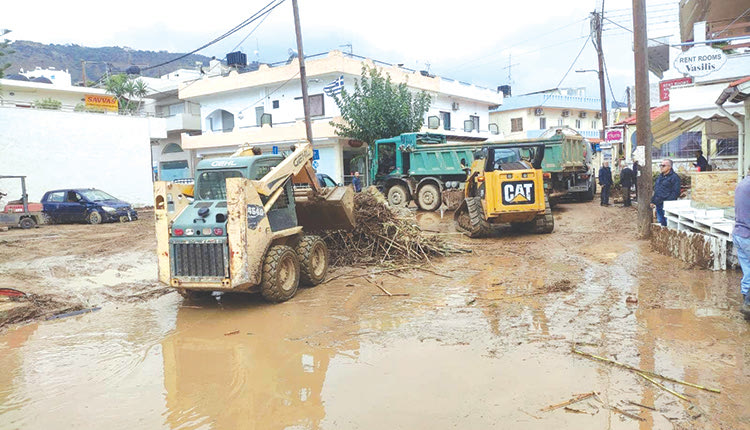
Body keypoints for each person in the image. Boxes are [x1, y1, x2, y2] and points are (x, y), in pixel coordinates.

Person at [733, 173, 750, 317]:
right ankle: (748, 304)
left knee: (747, 269)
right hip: (747, 235)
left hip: (739, 232)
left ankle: (746, 297)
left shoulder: (742, 184)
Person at [650, 159, 681, 226]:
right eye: (660, 165)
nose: (661, 167)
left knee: (668, 222)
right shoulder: (660, 177)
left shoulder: (674, 177)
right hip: (659, 204)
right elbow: (657, 189)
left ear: (669, 167)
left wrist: (667, 202)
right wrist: (653, 201)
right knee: (660, 221)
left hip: (667, 205)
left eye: (663, 166)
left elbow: (676, 192)